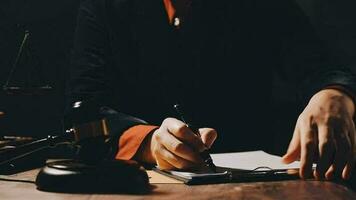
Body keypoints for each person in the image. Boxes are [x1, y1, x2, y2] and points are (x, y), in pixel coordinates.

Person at [67, 0, 356, 181]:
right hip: (143, 187)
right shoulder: (104, 6)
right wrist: (149, 142)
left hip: (248, 187)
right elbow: (84, 109)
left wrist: (334, 94)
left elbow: (326, 69)